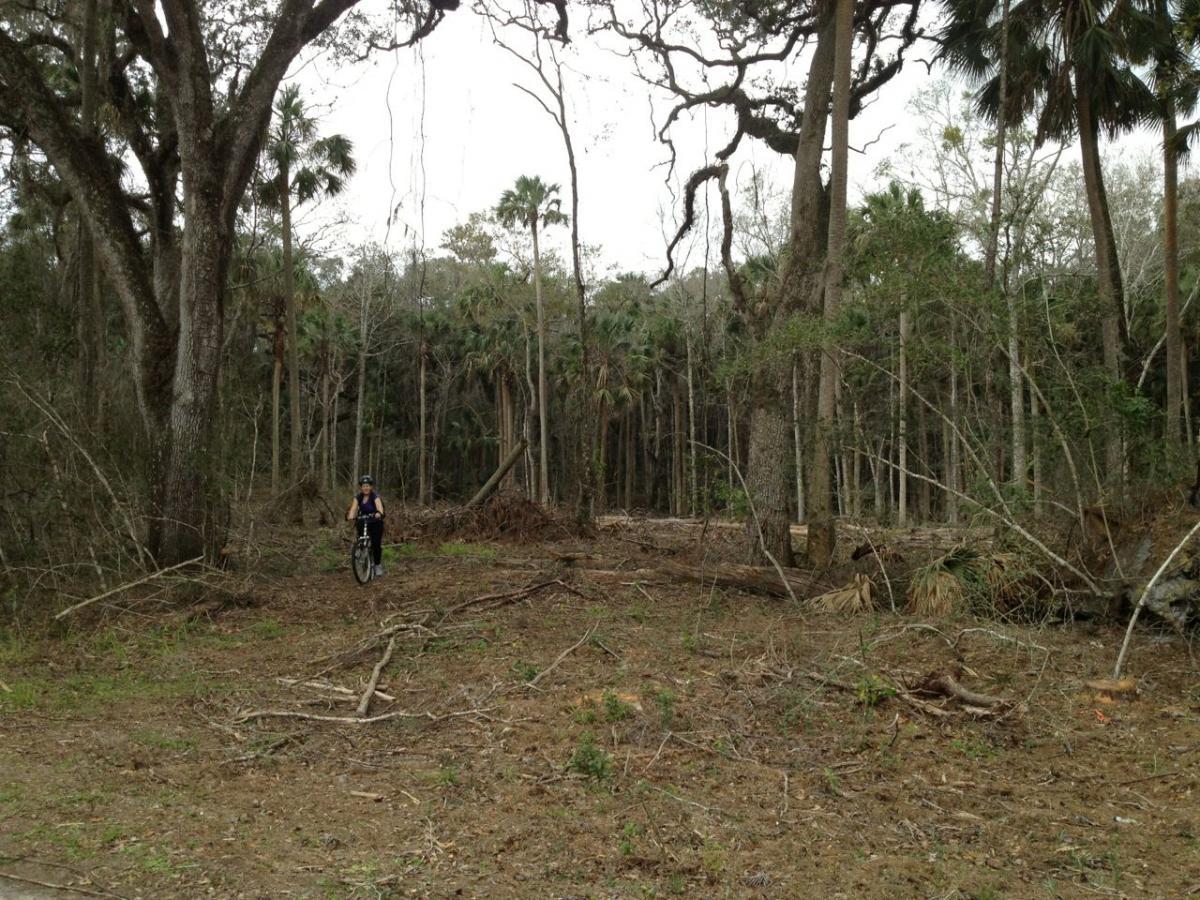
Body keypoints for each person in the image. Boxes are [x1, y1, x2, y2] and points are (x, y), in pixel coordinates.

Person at [346, 475, 386, 577]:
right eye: (364, 486)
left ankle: (377, 565)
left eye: (367, 486)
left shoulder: (375, 496)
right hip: (364, 521)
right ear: (361, 487)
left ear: (371, 487)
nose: (366, 488)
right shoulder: (358, 497)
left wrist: (379, 513)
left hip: (375, 521)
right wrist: (350, 516)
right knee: (360, 534)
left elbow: (379, 507)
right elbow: (354, 508)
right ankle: (361, 548)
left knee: (376, 544)